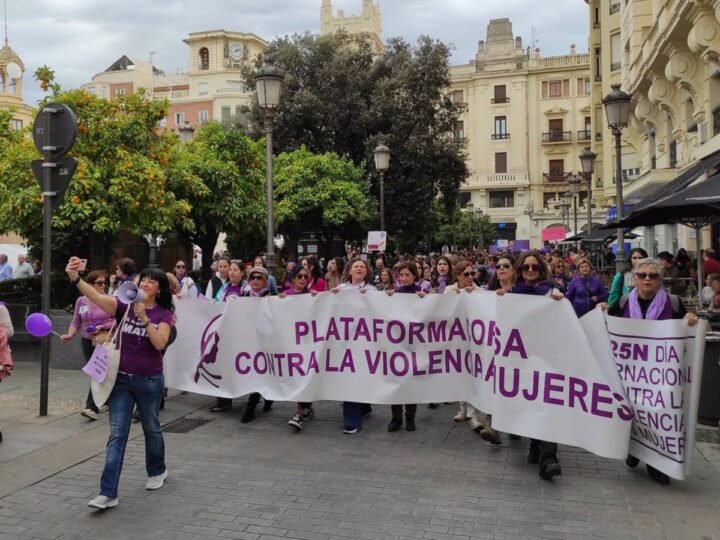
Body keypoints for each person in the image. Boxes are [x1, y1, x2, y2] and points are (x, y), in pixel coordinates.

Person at [66, 257, 174, 509]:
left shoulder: (163, 313)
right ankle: (108, 492)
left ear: (159, 288)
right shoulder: (123, 304)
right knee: (117, 435)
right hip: (122, 381)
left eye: (152, 280)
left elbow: (160, 343)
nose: (146, 282)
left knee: (151, 428)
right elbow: (96, 297)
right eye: (144, 278)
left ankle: (157, 469)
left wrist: (145, 319)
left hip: (149, 380)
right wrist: (75, 278)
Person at [601, 257, 699, 485]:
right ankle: (635, 450)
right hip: (632, 374)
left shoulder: (673, 303)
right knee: (635, 413)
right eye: (642, 275)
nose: (647, 280)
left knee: (659, 414)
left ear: (659, 280)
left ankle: (658, 464)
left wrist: (690, 320)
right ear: (634, 279)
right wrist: (602, 309)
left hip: (662, 374)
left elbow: (687, 331)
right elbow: (607, 325)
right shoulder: (624, 302)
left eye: (653, 276)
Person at [499, 250, 564, 480]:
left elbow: (568, 319)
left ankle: (549, 459)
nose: (529, 271)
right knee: (530, 403)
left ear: (541, 269)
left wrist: (560, 301)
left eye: (534, 267)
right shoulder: (512, 293)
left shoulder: (552, 292)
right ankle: (537, 447)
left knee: (544, 404)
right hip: (520, 361)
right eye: (525, 267)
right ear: (519, 269)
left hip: (546, 359)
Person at [60, 270, 116, 421]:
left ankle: (91, 406)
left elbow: (117, 319)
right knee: (96, 372)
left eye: (104, 282)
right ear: (89, 285)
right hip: (87, 339)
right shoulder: (81, 301)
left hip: (104, 339)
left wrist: (103, 326)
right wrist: (70, 334)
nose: (103, 285)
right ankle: (105, 400)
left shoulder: (109, 299)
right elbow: (76, 321)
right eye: (99, 283)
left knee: (97, 371)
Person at [331, 257, 374, 434]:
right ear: (349, 271)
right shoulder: (340, 290)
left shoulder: (372, 290)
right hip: (345, 341)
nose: (358, 269)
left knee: (361, 375)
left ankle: (363, 406)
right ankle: (352, 421)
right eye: (355, 266)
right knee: (350, 377)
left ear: (366, 272)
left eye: (362, 267)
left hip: (365, 341)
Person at [384, 262, 425, 432]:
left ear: (415, 276)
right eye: (401, 275)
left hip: (413, 344)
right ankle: (396, 417)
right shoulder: (396, 293)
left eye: (408, 274)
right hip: (396, 344)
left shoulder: (420, 293)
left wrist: (425, 299)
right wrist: (386, 297)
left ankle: (410, 417)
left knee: (410, 382)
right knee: (395, 382)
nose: (404, 278)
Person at [209, 261, 247, 413]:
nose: (231, 272)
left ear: (242, 272)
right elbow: (217, 303)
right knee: (222, 365)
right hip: (224, 332)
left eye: (235, 270)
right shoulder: (224, 288)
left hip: (241, 333)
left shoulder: (246, 288)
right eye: (230, 270)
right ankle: (223, 400)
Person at [281, 265, 317, 431]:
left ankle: (299, 413)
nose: (303, 279)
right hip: (289, 343)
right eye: (300, 276)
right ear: (293, 279)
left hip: (307, 343)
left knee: (303, 375)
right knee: (298, 377)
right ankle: (306, 407)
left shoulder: (311, 295)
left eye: (305, 277)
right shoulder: (285, 296)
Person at [239, 266, 276, 423]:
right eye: (252, 277)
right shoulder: (244, 296)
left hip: (266, 340)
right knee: (254, 372)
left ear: (265, 281)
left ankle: (256, 403)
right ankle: (255, 404)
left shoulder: (272, 297)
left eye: (259, 278)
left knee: (264, 370)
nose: (255, 280)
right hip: (248, 341)